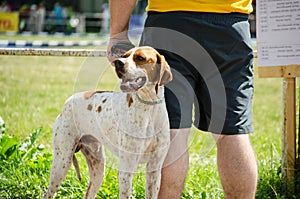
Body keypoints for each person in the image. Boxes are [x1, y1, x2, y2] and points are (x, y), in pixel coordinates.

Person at [107, 0, 258, 198]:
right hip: (229, 25)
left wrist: (118, 33)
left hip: (169, 21)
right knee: (231, 132)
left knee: (171, 131)